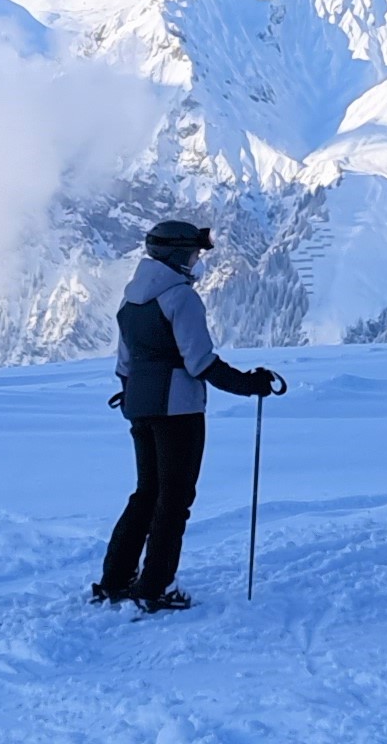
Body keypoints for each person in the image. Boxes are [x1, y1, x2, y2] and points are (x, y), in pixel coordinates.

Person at [103, 218, 286, 614]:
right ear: (175, 255)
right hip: (178, 410)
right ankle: (155, 586)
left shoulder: (130, 298)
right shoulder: (180, 297)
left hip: (139, 407)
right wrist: (249, 384)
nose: (196, 261)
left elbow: (124, 363)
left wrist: (136, 394)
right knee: (174, 500)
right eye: (192, 254)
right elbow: (200, 362)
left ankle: (115, 580)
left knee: (146, 493)